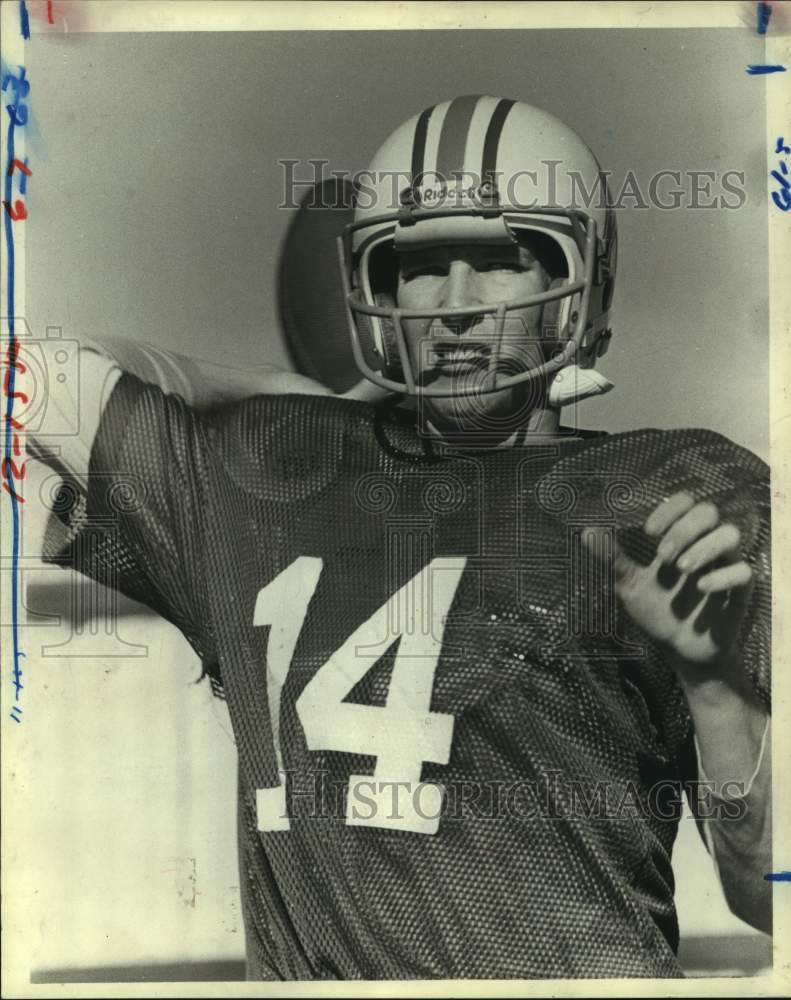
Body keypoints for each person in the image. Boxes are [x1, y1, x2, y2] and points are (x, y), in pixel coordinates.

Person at [29, 95, 770, 980]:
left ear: (580, 286)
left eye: (502, 260)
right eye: (417, 266)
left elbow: (770, 897)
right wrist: (283, 395)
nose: (454, 305)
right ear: (375, 294)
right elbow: (29, 371)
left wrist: (719, 693)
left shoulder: (671, 496)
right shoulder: (254, 484)